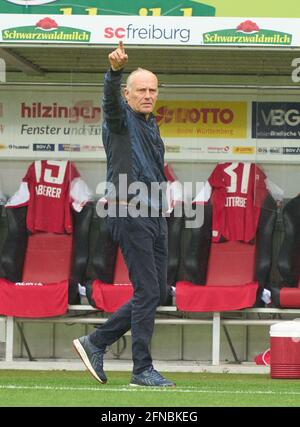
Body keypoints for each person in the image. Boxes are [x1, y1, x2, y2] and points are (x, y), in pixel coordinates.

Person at [73, 41, 175, 387]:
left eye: (152, 90)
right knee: (147, 290)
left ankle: (97, 341)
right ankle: (141, 369)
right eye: (140, 90)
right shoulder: (120, 121)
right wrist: (114, 72)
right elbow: (108, 102)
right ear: (128, 95)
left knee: (156, 291)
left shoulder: (151, 124)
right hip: (128, 210)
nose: (147, 95)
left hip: (155, 214)